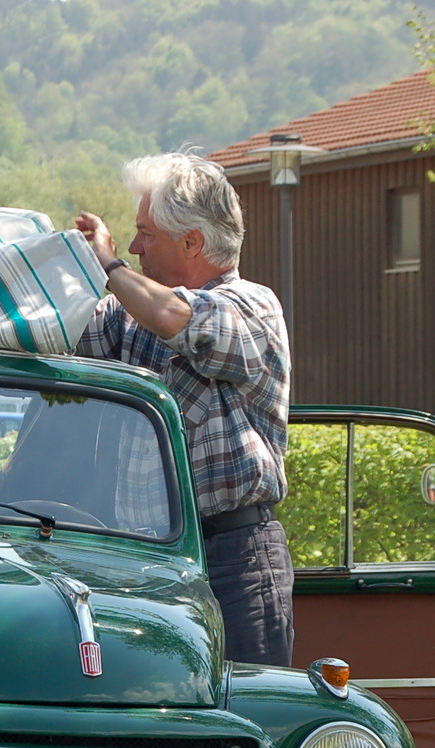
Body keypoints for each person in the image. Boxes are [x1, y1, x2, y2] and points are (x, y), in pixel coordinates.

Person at [73, 151, 294, 666]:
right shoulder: (130, 316)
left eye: (145, 233)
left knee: (247, 713)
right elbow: (56, 336)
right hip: (145, 560)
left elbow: (178, 317)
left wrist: (110, 267)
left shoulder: (253, 305)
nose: (132, 247)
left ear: (192, 242)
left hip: (232, 559)